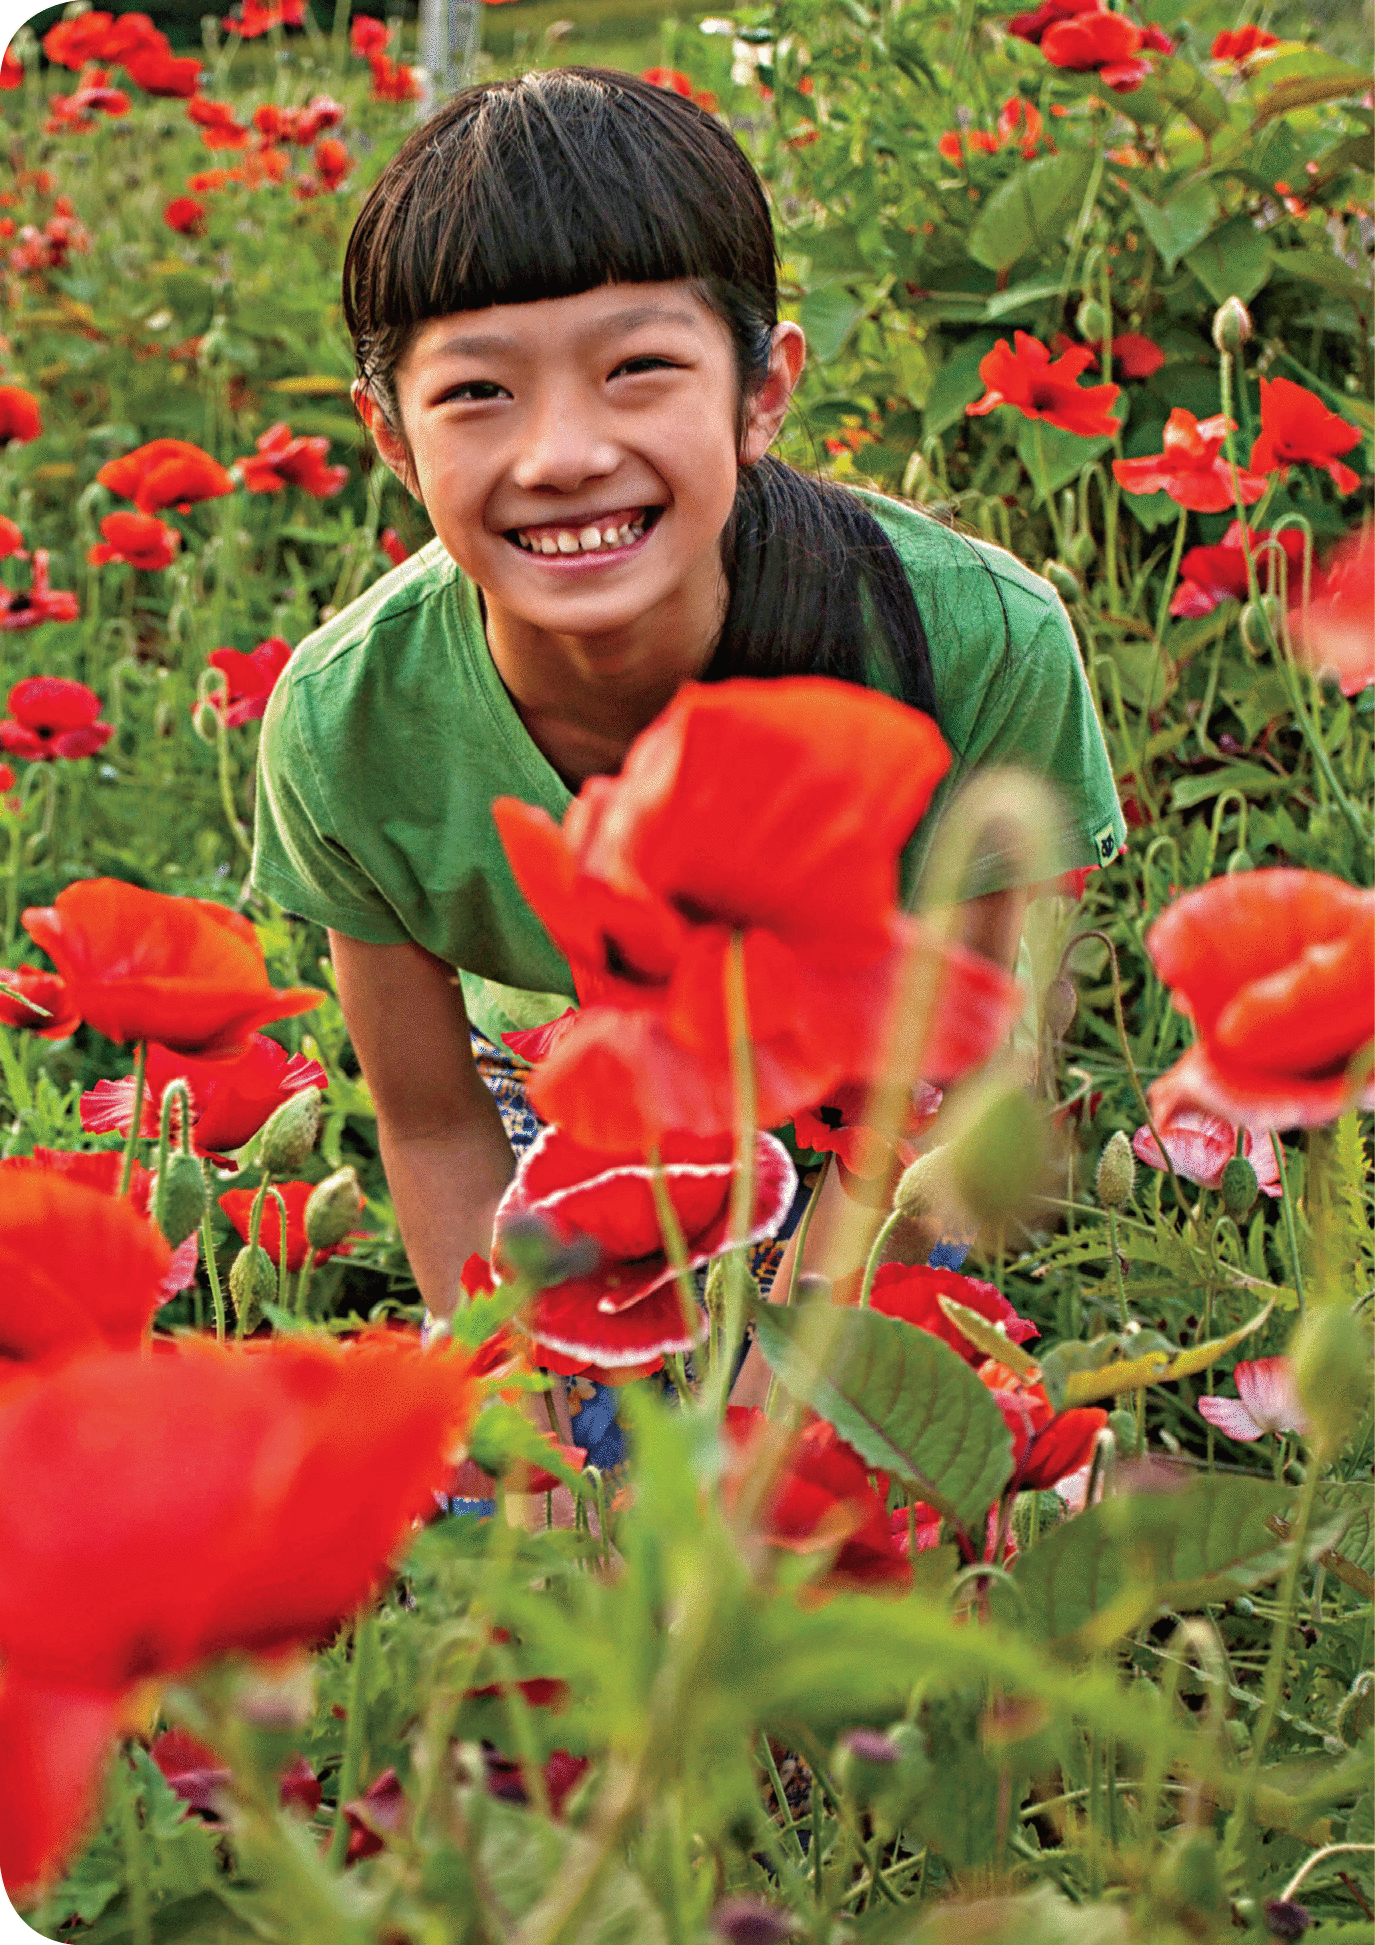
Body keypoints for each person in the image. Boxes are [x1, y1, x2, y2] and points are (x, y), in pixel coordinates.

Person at [252, 69, 1125, 1416]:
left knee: (862, 1486)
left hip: (882, 1097)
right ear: (389, 438)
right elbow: (432, 1126)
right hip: (566, 1087)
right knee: (540, 1503)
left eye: (637, 370)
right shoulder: (345, 722)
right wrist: (529, 1440)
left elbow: (985, 1047)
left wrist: (789, 1404)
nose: (560, 454)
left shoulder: (973, 640)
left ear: (762, 391)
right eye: (478, 392)